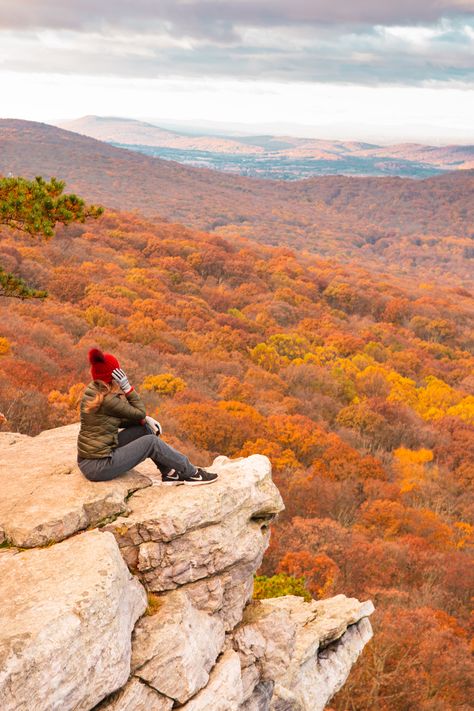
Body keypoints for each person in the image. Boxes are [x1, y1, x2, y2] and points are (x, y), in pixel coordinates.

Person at [77, 348, 218, 485]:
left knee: (144, 429)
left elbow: (119, 420)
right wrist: (127, 388)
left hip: (93, 459)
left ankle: (169, 473)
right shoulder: (108, 400)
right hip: (99, 465)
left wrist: (144, 421)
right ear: (114, 376)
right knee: (151, 442)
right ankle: (193, 474)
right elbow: (139, 412)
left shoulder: (94, 391)